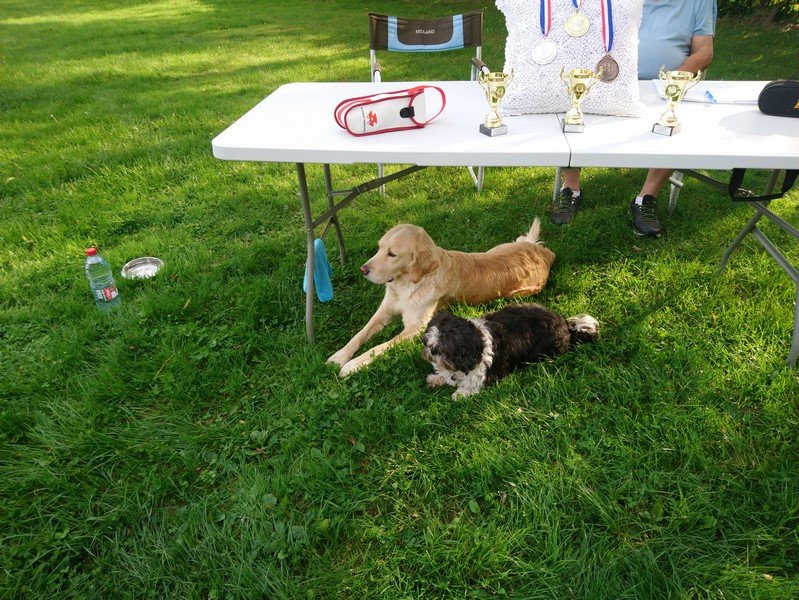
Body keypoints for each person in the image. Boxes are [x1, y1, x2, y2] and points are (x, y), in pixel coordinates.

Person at [551, 0, 717, 237]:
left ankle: (646, 198)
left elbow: (704, 51)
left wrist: (674, 82)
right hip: (605, 78)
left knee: (674, 118)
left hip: (664, 85)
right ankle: (571, 189)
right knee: (571, 103)